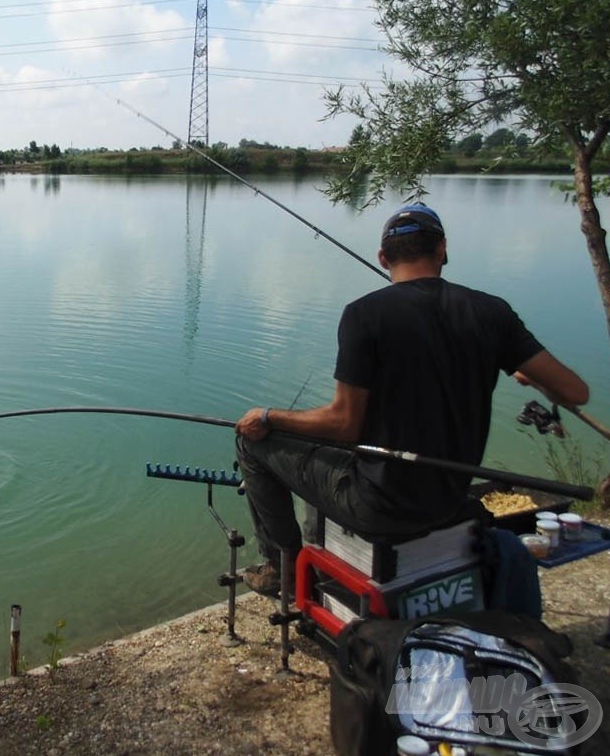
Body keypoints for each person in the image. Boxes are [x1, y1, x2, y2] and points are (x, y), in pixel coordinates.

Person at [235, 203, 590, 596]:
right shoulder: (493, 312)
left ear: (383, 258)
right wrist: (532, 378)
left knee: (251, 441)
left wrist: (268, 416)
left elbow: (344, 423)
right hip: (451, 498)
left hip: (380, 506)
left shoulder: (364, 314)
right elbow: (575, 392)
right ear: (442, 250)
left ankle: (281, 570)